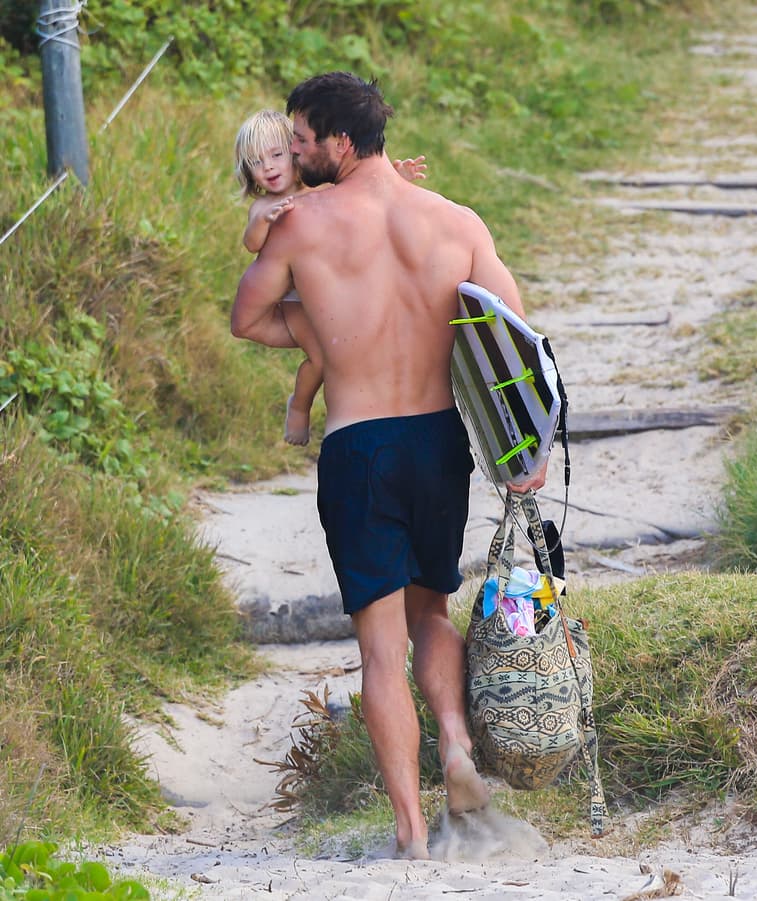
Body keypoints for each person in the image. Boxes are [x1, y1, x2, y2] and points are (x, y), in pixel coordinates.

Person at [230, 72, 546, 860]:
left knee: (380, 648)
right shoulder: (456, 220)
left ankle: (411, 832)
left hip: (360, 445)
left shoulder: (301, 224)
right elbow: (516, 339)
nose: (294, 152)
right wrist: (527, 452)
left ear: (340, 142)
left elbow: (247, 318)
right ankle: (455, 744)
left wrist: (316, 327)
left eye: (304, 138)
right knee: (431, 611)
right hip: (437, 441)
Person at [233, 108, 427, 445]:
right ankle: (299, 407)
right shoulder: (263, 207)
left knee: (360, 348)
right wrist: (263, 222)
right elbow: (251, 244)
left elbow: (365, 204)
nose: (268, 168)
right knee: (321, 359)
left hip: (333, 288)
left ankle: (375, 409)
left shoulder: (320, 189)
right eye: (255, 162)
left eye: (276, 156)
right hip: (295, 299)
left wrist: (398, 180)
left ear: (295, 152)